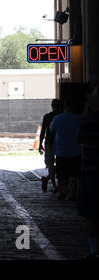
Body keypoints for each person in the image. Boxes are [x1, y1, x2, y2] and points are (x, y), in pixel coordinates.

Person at [78, 89, 99, 260]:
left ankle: (94, 250)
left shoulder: (85, 123)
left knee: (92, 215)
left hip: (90, 174)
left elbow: (80, 140)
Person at [50, 98, 82, 201]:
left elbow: (51, 129)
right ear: (73, 107)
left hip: (61, 150)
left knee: (61, 174)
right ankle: (72, 193)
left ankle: (62, 192)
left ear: (65, 107)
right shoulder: (79, 118)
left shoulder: (57, 118)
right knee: (73, 174)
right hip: (75, 150)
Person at [39, 99, 63, 192]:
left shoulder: (47, 116)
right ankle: (54, 184)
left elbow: (43, 131)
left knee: (51, 165)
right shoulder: (61, 116)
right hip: (60, 143)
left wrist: (40, 144)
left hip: (49, 142)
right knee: (60, 164)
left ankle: (52, 183)